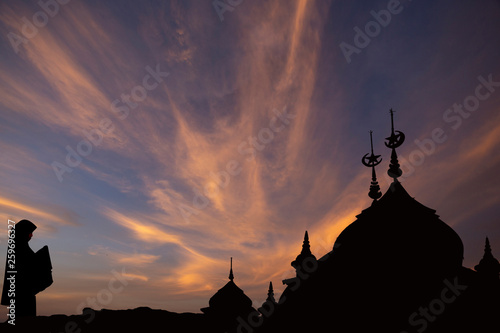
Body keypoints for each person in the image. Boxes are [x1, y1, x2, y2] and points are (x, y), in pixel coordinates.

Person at [1, 219, 53, 319]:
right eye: (30, 233)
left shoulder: (21, 247)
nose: (31, 236)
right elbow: (26, 265)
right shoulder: (19, 248)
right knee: (23, 320)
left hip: (25, 292)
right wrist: (42, 255)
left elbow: (30, 263)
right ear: (23, 233)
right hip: (22, 292)